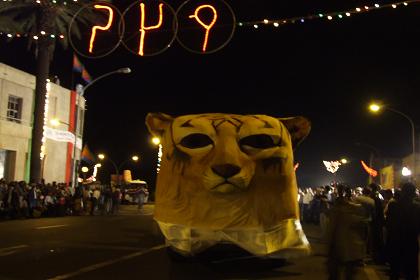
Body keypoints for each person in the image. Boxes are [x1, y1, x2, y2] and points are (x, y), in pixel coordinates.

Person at [326, 184, 368, 280]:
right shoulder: (354, 207)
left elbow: (331, 227)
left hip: (341, 246)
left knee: (339, 274)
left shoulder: (343, 208)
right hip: (347, 247)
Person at [385, 183, 420, 280]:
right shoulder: (417, 208)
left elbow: (388, 224)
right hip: (411, 243)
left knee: (395, 271)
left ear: (402, 192)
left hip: (395, 242)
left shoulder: (393, 206)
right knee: (411, 272)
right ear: (413, 194)